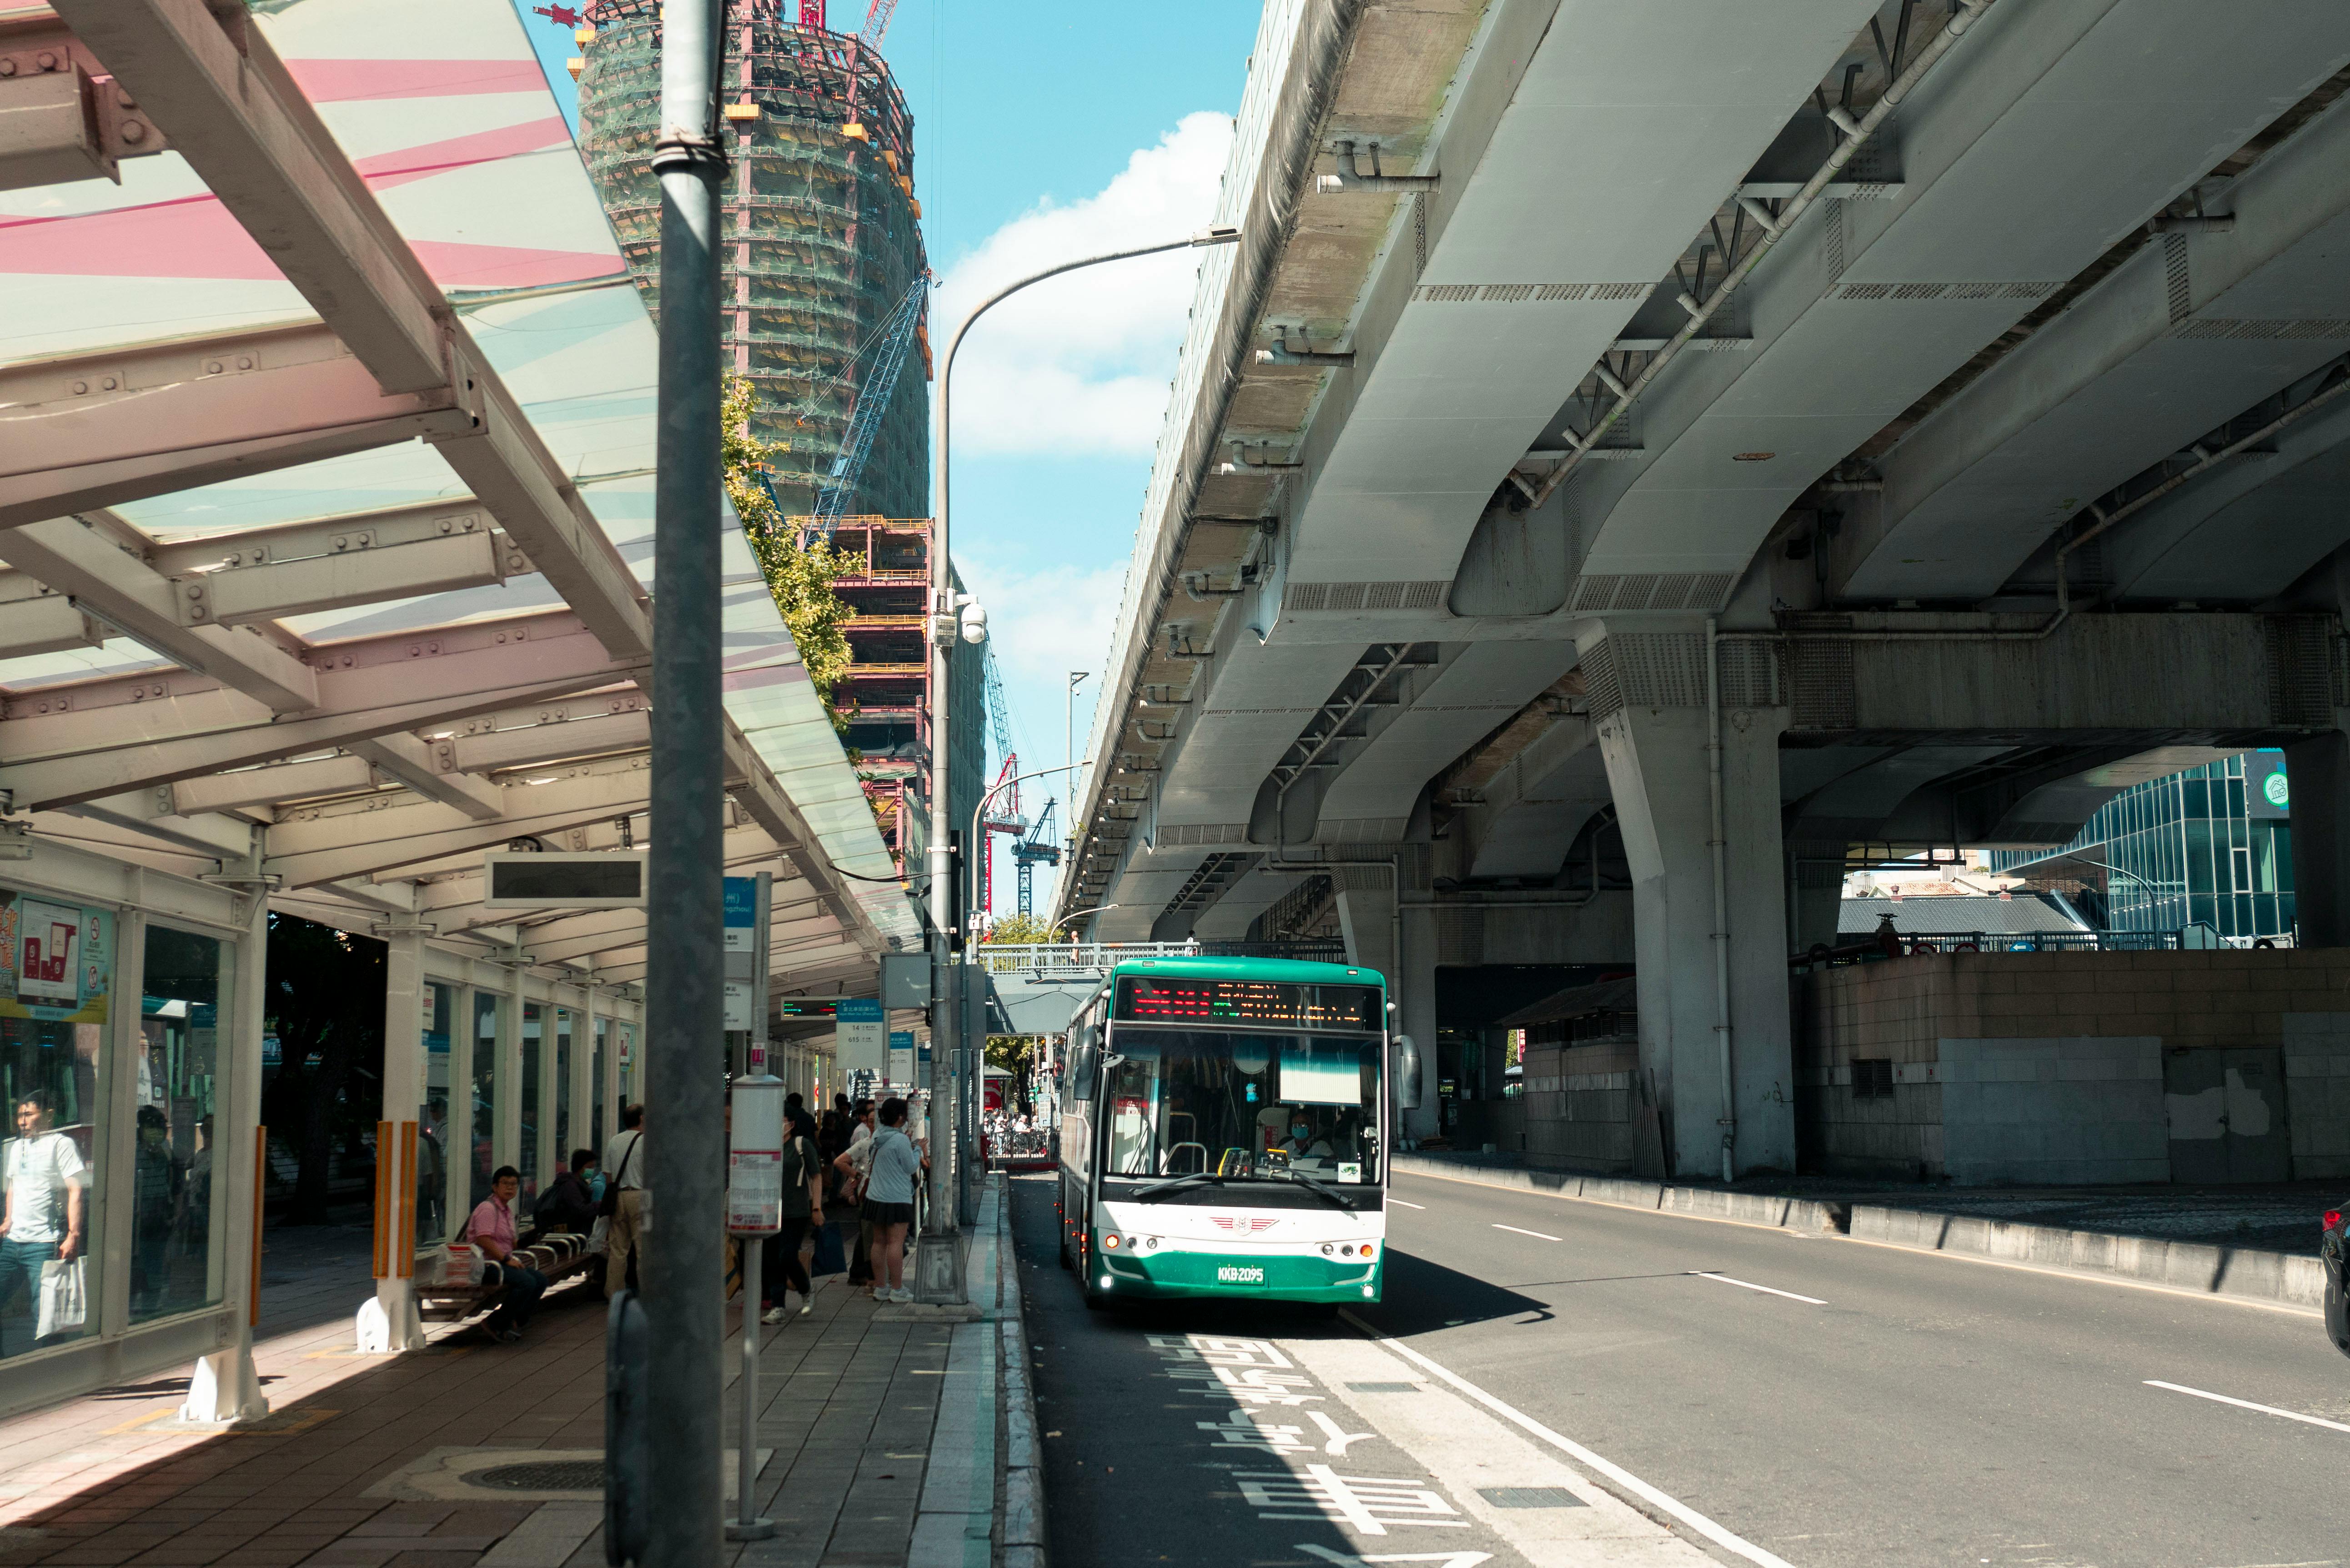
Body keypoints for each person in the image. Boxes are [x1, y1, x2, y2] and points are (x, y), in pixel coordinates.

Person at [0, 1091, 87, 1357]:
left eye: (29, 1114)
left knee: (47, 1314)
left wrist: (73, 1235)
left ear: (48, 1115)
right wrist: (7, 1220)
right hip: (13, 1242)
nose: (23, 1121)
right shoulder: (17, 1147)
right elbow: (14, 1186)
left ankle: (51, 1368)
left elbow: (76, 1190)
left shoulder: (61, 1144)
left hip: (44, 1243)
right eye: (19, 1115)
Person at [463, 1166, 545, 1342]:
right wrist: (507, 1259)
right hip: (486, 1265)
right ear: (495, 1187)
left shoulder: (506, 1211)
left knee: (539, 1280)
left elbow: (510, 1243)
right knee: (526, 1282)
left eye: (514, 1184)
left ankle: (514, 1320)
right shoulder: (488, 1208)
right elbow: (483, 1239)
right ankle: (495, 1322)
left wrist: (528, 1240)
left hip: (500, 1263)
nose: (510, 1188)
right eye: (505, 1184)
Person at [760, 1109, 824, 1322]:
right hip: (769, 1211)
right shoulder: (766, 1146)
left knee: (786, 1256)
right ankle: (778, 1306)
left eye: (783, 1121)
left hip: (795, 1211)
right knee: (772, 1261)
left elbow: (816, 1176)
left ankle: (806, 1289)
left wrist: (817, 1207)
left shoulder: (801, 1145)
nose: (779, 1125)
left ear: (792, 1124)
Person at [862, 1097, 925, 1304]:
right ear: (900, 1116)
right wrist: (918, 1148)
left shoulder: (878, 1135)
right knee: (895, 1243)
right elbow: (910, 1167)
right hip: (897, 1197)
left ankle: (881, 1287)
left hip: (875, 1196)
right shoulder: (900, 1140)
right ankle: (897, 1289)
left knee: (878, 1243)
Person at [602, 1103, 646, 1297]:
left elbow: (608, 1175)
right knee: (644, 1249)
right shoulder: (646, 1141)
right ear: (642, 1119)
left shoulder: (614, 1141)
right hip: (640, 1197)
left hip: (618, 1197)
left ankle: (614, 1294)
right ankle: (647, 1294)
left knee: (618, 1250)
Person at [834, 1098, 878, 1292]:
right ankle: (869, 1276)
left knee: (878, 1237)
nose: (874, 1125)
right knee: (869, 1236)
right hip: (868, 1195)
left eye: (877, 1121)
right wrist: (858, 1176)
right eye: (870, 1121)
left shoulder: (889, 1141)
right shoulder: (864, 1143)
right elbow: (839, 1162)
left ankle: (871, 1274)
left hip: (886, 1194)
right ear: (865, 1122)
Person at [537, 1148, 599, 1236]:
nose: (592, 1171)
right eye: (590, 1168)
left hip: (573, 1233)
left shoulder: (578, 1184)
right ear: (581, 1167)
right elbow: (580, 1211)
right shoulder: (570, 1186)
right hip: (568, 1235)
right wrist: (598, 1205)